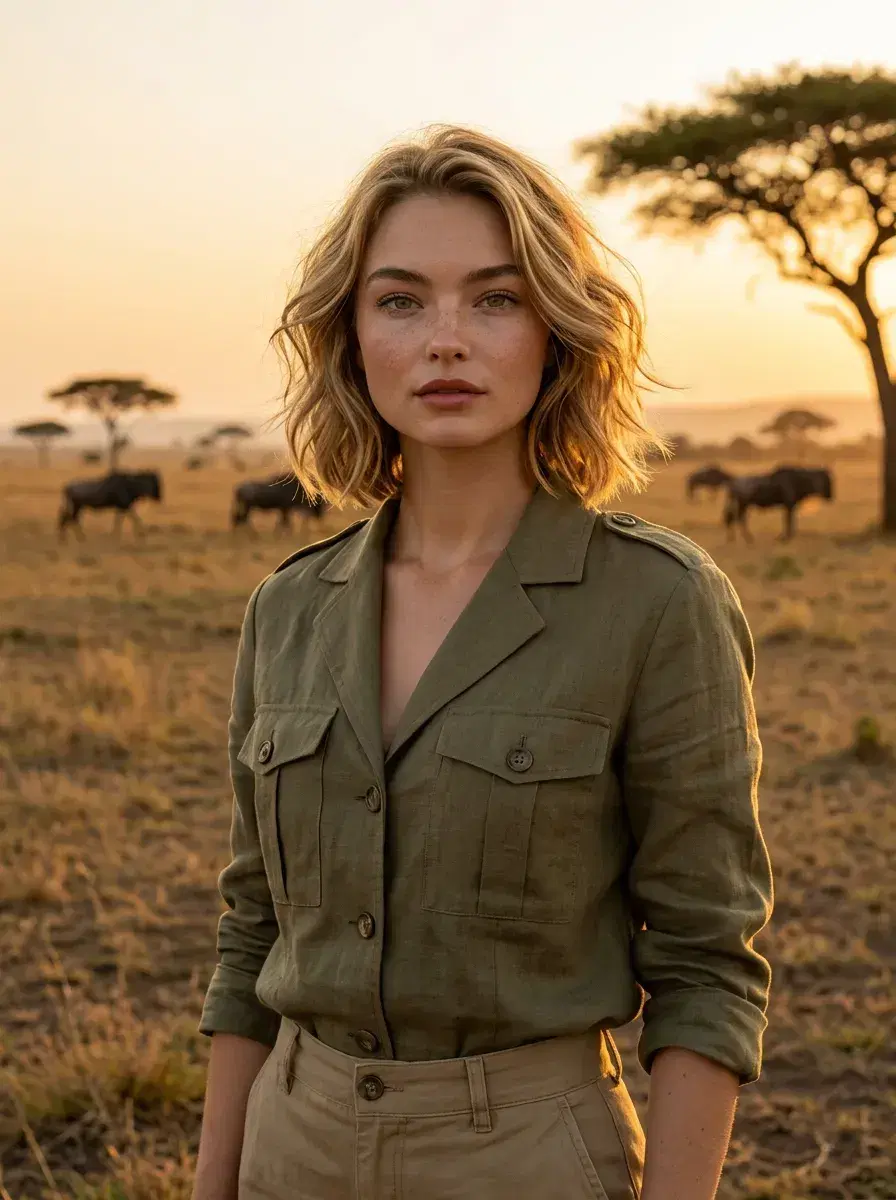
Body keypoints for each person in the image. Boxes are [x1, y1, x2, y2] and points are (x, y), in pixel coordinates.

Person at [192, 125, 773, 1200]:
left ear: (555, 332)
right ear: (350, 334)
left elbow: (705, 959)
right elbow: (251, 936)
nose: (444, 340)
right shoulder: (285, 610)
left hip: (525, 1157)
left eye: (494, 299)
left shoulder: (655, 601)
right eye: (401, 300)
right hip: (289, 1145)